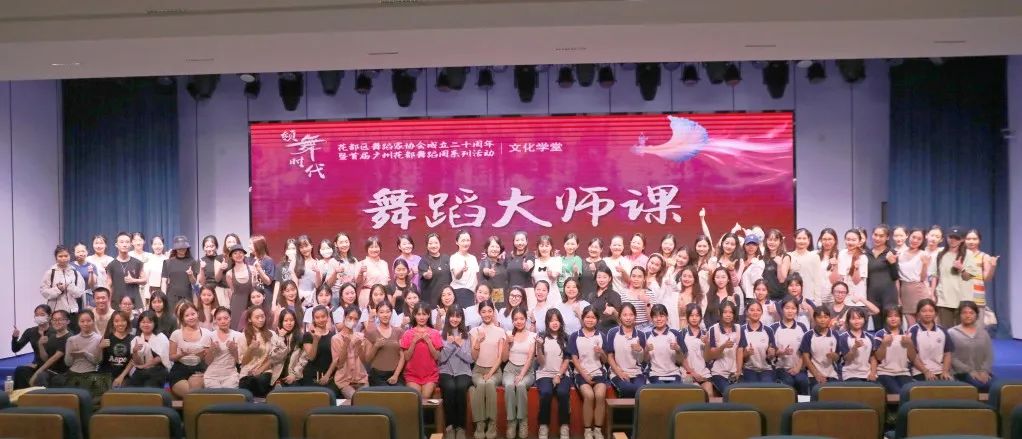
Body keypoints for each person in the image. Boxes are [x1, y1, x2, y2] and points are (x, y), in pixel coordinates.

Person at [570, 305, 608, 439]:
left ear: (597, 320)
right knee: (589, 395)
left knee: (600, 395)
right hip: (581, 373)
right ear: (582, 318)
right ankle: (587, 430)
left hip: (598, 372)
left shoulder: (601, 335)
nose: (590, 320)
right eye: (587, 317)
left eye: (593, 317)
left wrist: (601, 352)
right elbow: (574, 359)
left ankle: (597, 429)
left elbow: (605, 360)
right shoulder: (575, 336)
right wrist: (584, 375)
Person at [469, 299, 505, 439]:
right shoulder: (474, 331)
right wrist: (478, 340)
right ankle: (480, 424)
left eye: (489, 311)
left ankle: (492, 424)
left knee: (489, 383)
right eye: (483, 311)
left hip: (495, 371)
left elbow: (500, 357)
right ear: (479, 313)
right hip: (478, 370)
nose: (487, 314)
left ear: (493, 312)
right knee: (481, 384)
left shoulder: (500, 331)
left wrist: (490, 373)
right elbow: (474, 357)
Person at [438, 304, 473, 439]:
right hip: (445, 371)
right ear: (448, 317)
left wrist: (458, 345)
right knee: (449, 388)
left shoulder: (467, 335)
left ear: (462, 318)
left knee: (460, 388)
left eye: (458, 316)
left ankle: (461, 427)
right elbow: (441, 359)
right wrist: (450, 345)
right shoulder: (441, 334)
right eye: (452, 316)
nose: (455, 319)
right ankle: (450, 426)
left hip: (463, 371)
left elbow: (470, 359)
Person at [535, 308, 571, 439]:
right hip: (544, 373)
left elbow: (567, 359)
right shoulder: (541, 336)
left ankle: (564, 426)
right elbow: (541, 362)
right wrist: (539, 347)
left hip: (562, 373)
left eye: (557, 320)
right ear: (547, 322)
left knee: (562, 392)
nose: (554, 323)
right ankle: (543, 425)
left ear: (561, 321)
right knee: (546, 393)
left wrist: (559, 375)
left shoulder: (566, 337)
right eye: (551, 320)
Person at [501, 307, 536, 439]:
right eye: (516, 319)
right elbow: (504, 358)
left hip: (526, 370)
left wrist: (521, 374)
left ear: (526, 320)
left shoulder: (532, 335)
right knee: (509, 385)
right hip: (510, 369)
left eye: (521, 318)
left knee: (521, 385)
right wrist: (507, 343)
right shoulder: (508, 334)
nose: (519, 321)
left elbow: (530, 358)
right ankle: (511, 421)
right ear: (512, 321)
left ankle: (522, 421)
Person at [238, 305, 286, 397]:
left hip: (265, 370)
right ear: (250, 319)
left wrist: (260, 370)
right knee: (247, 383)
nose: (261, 320)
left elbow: (277, 355)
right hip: (248, 371)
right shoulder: (243, 336)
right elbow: (243, 362)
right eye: (257, 317)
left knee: (261, 381)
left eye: (262, 316)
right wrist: (250, 348)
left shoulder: (271, 334)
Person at [64, 310, 109, 405]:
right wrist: (70, 353)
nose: (85, 324)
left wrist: (86, 354)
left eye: (88, 321)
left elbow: (98, 361)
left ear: (93, 321)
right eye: (82, 321)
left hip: (91, 374)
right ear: (78, 323)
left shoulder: (99, 338)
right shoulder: (71, 339)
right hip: (73, 374)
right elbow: (68, 363)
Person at [169, 302, 211, 398]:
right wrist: (181, 355)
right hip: (179, 369)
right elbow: (171, 357)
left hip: (200, 368)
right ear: (182, 318)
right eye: (187, 315)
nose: (191, 317)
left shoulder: (207, 333)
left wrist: (202, 354)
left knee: (195, 393)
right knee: (190, 395)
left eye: (193, 314)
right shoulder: (176, 334)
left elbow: (208, 360)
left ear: (197, 314)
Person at [949, 301, 993, 391]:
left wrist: (984, 371)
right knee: (982, 386)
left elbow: (989, 355)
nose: (968, 315)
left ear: (976, 315)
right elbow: (951, 358)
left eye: (971, 313)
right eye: (964, 313)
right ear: (959, 315)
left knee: (998, 386)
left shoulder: (983, 333)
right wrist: (969, 371)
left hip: (982, 372)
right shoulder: (952, 333)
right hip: (961, 372)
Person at [401, 303, 443, 397]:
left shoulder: (435, 333)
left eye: (424, 314)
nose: (421, 317)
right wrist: (414, 342)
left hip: (430, 376)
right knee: (416, 398)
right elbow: (407, 357)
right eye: (419, 314)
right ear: (414, 315)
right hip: (412, 375)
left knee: (424, 398)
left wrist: (428, 342)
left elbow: (436, 356)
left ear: (428, 315)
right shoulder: (408, 334)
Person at [606, 303, 647, 398]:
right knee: (627, 388)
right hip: (617, 372)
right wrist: (619, 373)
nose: (628, 318)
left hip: (637, 373)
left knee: (640, 390)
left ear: (635, 316)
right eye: (625, 315)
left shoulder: (641, 335)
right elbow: (610, 357)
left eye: (631, 315)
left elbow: (641, 360)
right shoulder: (612, 333)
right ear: (620, 316)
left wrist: (640, 350)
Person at [41, 245, 87, 327]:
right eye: (60, 256)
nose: (63, 258)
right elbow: (44, 292)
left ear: (70, 256)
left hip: (72, 313)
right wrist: (58, 289)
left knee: (72, 334)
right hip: (55, 312)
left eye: (66, 256)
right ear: (56, 257)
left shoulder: (75, 273)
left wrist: (70, 287)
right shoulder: (50, 273)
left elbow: (80, 293)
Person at [771, 297, 810, 394]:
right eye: (787, 308)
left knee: (803, 382)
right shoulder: (774, 328)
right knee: (788, 383)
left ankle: (804, 403)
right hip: (780, 368)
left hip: (799, 367)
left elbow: (805, 351)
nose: (790, 311)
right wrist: (782, 352)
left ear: (797, 310)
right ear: (782, 309)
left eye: (793, 308)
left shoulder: (802, 327)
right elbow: (771, 352)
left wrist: (798, 368)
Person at [874, 306, 916, 394]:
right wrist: (884, 343)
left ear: (901, 318)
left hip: (903, 372)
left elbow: (912, 358)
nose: (893, 319)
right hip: (884, 373)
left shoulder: (906, 334)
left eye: (896, 316)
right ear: (885, 319)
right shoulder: (880, 334)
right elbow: (878, 357)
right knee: (898, 393)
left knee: (910, 393)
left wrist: (909, 344)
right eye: (890, 316)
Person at [706, 301, 746, 396]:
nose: (728, 315)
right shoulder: (713, 329)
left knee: (741, 394)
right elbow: (712, 354)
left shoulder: (739, 328)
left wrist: (739, 371)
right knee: (729, 393)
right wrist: (723, 346)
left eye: (731, 312)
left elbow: (740, 351)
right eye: (725, 312)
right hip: (718, 372)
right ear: (720, 313)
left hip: (734, 371)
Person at [11, 305, 55, 389]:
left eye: (42, 314)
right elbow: (15, 349)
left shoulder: (55, 332)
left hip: (52, 366)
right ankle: (21, 396)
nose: (39, 317)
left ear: (49, 316)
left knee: (42, 377)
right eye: (36, 315)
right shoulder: (30, 331)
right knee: (20, 370)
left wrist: (39, 365)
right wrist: (14, 338)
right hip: (36, 365)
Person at [910, 299, 954, 381]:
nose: (927, 314)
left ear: (936, 313)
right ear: (918, 313)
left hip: (940, 371)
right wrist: (926, 372)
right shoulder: (913, 330)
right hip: (919, 372)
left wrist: (945, 371)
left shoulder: (943, 330)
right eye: (924, 311)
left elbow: (947, 353)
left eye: (931, 311)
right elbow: (912, 355)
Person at [866, 225, 900, 328]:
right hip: (872, 295)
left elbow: (895, 277)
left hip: (888, 295)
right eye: (875, 235)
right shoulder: (866, 254)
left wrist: (892, 263)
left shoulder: (891, 253)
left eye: (881, 236)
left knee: (890, 326)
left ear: (887, 237)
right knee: (877, 326)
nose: (877, 238)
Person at [800, 307, 844, 386]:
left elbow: (837, 357)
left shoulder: (835, 335)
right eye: (819, 317)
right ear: (814, 319)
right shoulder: (808, 335)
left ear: (829, 319)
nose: (822, 320)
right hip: (812, 374)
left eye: (825, 317)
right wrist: (816, 374)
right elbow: (806, 358)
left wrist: (834, 356)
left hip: (832, 374)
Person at [331, 305, 369, 398]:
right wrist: (346, 344)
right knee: (355, 398)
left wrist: (359, 347)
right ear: (344, 317)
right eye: (350, 318)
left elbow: (364, 361)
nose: (352, 321)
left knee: (365, 399)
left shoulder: (361, 336)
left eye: (356, 319)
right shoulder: (336, 338)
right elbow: (339, 364)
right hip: (344, 380)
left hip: (361, 379)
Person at [366, 301, 406, 386]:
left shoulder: (399, 331)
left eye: (388, 312)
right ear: (377, 314)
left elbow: (402, 356)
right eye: (381, 312)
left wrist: (395, 375)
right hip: (377, 375)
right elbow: (367, 359)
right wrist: (375, 346)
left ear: (391, 313)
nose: (385, 315)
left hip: (396, 374)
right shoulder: (371, 332)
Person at [202, 307, 245, 389]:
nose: (223, 321)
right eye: (219, 319)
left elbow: (239, 361)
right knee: (216, 395)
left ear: (230, 318)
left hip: (231, 375)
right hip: (211, 376)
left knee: (227, 394)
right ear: (215, 320)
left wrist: (234, 350)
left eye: (226, 318)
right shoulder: (210, 336)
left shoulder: (238, 336)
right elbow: (207, 362)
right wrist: (211, 350)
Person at [127, 311, 170, 387]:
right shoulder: (136, 339)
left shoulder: (161, 337)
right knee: (132, 389)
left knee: (148, 388)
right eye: (143, 322)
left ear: (155, 323)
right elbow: (138, 362)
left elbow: (160, 358)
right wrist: (135, 351)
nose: (146, 325)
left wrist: (144, 366)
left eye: (149, 322)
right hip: (141, 370)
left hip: (158, 370)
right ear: (139, 324)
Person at [898, 229, 931, 327]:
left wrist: (925, 264)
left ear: (922, 241)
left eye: (919, 239)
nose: (915, 240)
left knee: (923, 324)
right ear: (909, 236)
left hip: (919, 289)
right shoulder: (900, 254)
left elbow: (923, 278)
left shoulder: (923, 254)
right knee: (911, 326)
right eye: (913, 237)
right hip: (905, 290)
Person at [679, 303, 714, 396]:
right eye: (691, 315)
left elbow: (707, 358)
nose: (694, 318)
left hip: (703, 372)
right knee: (697, 393)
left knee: (709, 393)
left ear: (701, 317)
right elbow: (680, 358)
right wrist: (692, 373)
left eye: (697, 315)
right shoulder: (682, 334)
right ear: (687, 317)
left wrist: (707, 343)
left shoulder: (706, 334)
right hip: (687, 373)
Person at [645, 304, 685, 383]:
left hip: (674, 373)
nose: (658, 319)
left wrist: (678, 350)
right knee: (661, 389)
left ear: (667, 317)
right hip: (655, 374)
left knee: (674, 389)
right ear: (652, 319)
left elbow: (681, 361)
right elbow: (645, 360)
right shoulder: (647, 336)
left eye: (662, 316)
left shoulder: (675, 334)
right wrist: (646, 350)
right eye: (655, 316)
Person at [106, 232, 147, 309]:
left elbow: (145, 280)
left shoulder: (137, 263)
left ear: (131, 244)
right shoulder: (111, 265)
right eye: (121, 242)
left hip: (134, 303)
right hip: (117, 303)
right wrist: (108, 303)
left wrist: (133, 280)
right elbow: (109, 285)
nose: (124, 245)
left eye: (127, 242)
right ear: (116, 245)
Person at [301, 305, 337, 390]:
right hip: (312, 376)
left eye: (323, 316)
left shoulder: (333, 336)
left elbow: (335, 359)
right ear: (313, 319)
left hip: (329, 376)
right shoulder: (308, 335)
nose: (321, 320)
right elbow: (311, 357)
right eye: (317, 317)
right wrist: (316, 340)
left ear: (327, 317)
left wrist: (327, 375)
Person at [741, 301, 777, 383]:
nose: (755, 312)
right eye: (752, 310)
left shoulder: (768, 330)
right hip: (748, 369)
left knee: (767, 386)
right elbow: (737, 356)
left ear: (762, 312)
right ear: (746, 312)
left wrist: (771, 354)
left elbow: (772, 356)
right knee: (753, 387)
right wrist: (746, 354)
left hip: (766, 369)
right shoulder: (741, 330)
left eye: (758, 310)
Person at [162, 235, 201, 311]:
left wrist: (190, 275)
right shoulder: (168, 262)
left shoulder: (192, 262)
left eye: (184, 247)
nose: (182, 249)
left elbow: (194, 283)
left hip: (187, 296)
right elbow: (164, 281)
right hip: (171, 297)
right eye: (180, 248)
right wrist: (163, 297)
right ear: (175, 248)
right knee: (172, 317)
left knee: (186, 316)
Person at [839, 308, 877, 382]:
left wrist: (873, 373)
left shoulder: (870, 337)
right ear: (848, 321)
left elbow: (873, 357)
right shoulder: (843, 337)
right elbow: (846, 359)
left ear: (864, 320)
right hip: (850, 374)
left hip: (868, 374)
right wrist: (855, 347)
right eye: (853, 319)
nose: (857, 321)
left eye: (859, 318)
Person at [419, 232, 453, 308]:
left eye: (436, 243)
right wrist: (427, 275)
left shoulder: (446, 258)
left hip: (446, 301)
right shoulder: (424, 260)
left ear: (440, 244)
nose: (433, 245)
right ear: (427, 245)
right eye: (430, 243)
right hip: (431, 302)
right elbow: (424, 275)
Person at [102, 311, 135, 388]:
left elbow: (132, 360)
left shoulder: (132, 339)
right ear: (112, 323)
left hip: (124, 375)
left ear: (127, 322)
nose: (120, 323)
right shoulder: (107, 338)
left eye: (123, 321)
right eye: (116, 321)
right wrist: (100, 348)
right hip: (106, 375)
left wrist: (121, 377)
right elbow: (99, 360)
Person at [449, 230, 480, 308]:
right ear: (457, 242)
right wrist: (462, 271)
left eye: (468, 240)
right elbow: (457, 276)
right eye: (463, 241)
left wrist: (477, 293)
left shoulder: (473, 258)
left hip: (471, 293)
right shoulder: (454, 257)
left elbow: (475, 278)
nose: (466, 243)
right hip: (459, 292)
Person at [357, 236, 389, 309]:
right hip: (367, 295)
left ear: (380, 248)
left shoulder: (384, 263)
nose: (374, 249)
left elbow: (386, 282)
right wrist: (361, 272)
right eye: (371, 247)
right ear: (367, 249)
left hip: (383, 296)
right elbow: (358, 283)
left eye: (376, 247)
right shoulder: (361, 263)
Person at [532, 235, 563, 304]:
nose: (544, 248)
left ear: (551, 247)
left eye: (547, 246)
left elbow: (555, 275)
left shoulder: (557, 260)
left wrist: (551, 274)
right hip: (538, 299)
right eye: (541, 246)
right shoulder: (534, 261)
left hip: (553, 299)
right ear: (538, 247)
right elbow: (532, 281)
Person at [590, 266, 622, 332]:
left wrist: (613, 311)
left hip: (609, 331)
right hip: (593, 331)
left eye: (604, 277)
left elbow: (621, 319)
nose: (601, 280)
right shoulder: (591, 295)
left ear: (609, 278)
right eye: (599, 277)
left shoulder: (615, 295)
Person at [479, 236, 509, 305]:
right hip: (494, 299)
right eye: (492, 246)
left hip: (505, 298)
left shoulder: (501, 263)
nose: (495, 249)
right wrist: (489, 272)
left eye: (497, 247)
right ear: (487, 248)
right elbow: (485, 270)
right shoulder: (485, 262)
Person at [143, 235, 168, 307]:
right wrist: (147, 294)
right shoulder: (148, 258)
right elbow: (146, 278)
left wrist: (164, 294)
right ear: (152, 246)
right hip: (151, 290)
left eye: (160, 244)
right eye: (155, 244)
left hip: (165, 290)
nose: (157, 246)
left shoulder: (167, 259)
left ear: (163, 245)